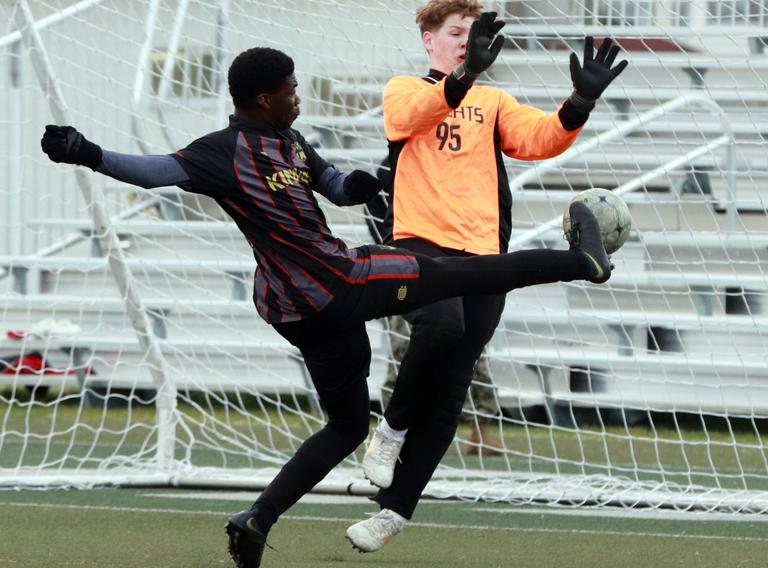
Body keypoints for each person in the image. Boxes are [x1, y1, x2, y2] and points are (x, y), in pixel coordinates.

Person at [40, 46, 613, 568]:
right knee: (458, 272)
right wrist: (87, 152)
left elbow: (333, 184)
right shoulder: (221, 152)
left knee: (345, 426)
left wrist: (361, 187)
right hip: (337, 280)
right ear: (263, 99)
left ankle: (256, 520)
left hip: (299, 310)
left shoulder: (290, 141)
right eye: (290, 89)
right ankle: (582, 261)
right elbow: (154, 170)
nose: (298, 95)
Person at [352, 0, 628, 552]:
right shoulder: (403, 90)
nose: (464, 41)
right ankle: (389, 430)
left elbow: (542, 138)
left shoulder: (492, 101)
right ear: (429, 40)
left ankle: (395, 511)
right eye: (455, 33)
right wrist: (465, 72)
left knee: (453, 388)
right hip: (418, 243)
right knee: (439, 326)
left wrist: (582, 100)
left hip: (483, 252)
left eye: (471, 35)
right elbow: (410, 120)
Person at [364, 160, 503, 456]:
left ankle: (482, 428)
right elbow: (375, 213)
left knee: (470, 350)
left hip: (456, 267)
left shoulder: (460, 164)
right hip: (406, 272)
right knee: (406, 350)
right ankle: (394, 430)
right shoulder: (392, 168)